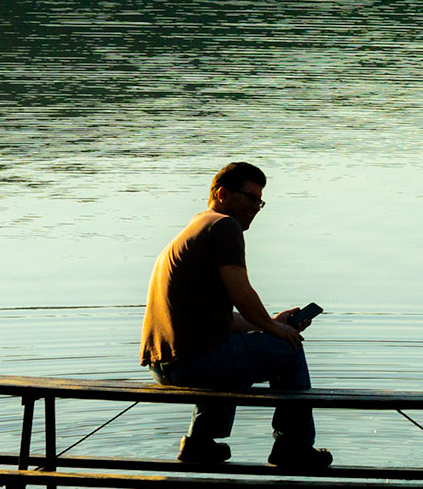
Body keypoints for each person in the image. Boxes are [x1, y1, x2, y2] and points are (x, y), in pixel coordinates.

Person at [139, 161, 332, 469]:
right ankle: (292, 446)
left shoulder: (196, 228)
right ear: (222, 194)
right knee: (288, 349)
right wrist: (275, 330)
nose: (256, 207)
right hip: (192, 362)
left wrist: (272, 324)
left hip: (166, 363)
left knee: (242, 352)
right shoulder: (224, 226)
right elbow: (242, 295)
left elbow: (222, 322)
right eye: (249, 198)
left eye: (260, 201)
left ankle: (199, 443)